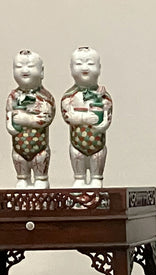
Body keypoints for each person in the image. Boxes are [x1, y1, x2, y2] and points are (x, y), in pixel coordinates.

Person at [61, 47, 112, 188]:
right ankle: (79, 178)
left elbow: (107, 115)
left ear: (99, 68)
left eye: (90, 64)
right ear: (71, 68)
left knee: (97, 157)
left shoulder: (103, 96)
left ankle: (97, 178)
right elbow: (67, 116)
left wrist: (103, 124)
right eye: (79, 64)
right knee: (77, 157)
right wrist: (84, 118)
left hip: (97, 143)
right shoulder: (69, 96)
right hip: (77, 142)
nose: (84, 67)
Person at [6, 50, 55, 188]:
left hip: (39, 146)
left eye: (30, 66)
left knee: (40, 173)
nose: (24, 70)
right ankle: (22, 179)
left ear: (42, 71)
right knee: (21, 177)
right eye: (19, 66)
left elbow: (46, 118)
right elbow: (9, 114)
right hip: (19, 146)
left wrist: (25, 119)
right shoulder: (13, 96)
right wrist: (10, 125)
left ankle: (41, 181)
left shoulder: (44, 97)